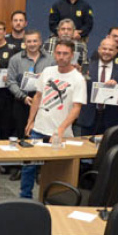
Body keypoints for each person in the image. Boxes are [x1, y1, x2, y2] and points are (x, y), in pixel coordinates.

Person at [21, 39, 87, 199]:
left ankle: (54, 201)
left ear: (72, 55)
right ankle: (24, 198)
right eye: (58, 53)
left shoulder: (78, 79)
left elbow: (77, 108)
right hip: (39, 129)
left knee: (59, 171)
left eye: (65, 54)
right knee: (28, 167)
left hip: (61, 133)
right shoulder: (48, 71)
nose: (61, 57)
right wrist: (31, 120)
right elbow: (37, 97)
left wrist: (61, 129)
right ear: (54, 54)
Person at [7, 30, 55, 142]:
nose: (32, 44)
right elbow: (10, 81)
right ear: (24, 43)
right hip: (22, 101)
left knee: (42, 136)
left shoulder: (51, 60)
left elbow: (56, 80)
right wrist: (22, 97)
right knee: (22, 135)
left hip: (44, 102)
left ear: (40, 42)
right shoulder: (15, 59)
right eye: (29, 41)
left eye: (35, 41)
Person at [78, 38, 118, 136]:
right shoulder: (87, 68)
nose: (107, 52)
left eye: (111, 50)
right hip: (88, 118)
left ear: (116, 52)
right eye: (104, 49)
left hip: (110, 119)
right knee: (86, 149)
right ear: (99, 49)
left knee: (107, 149)